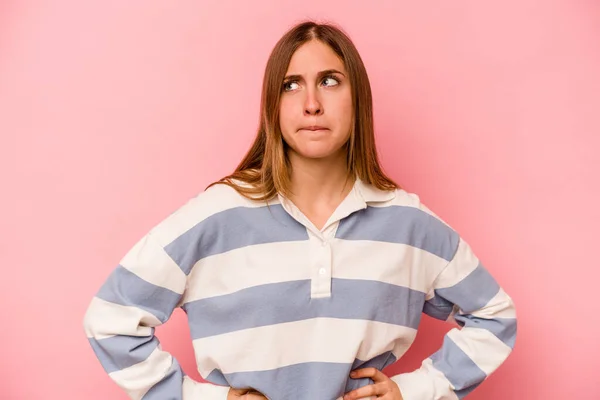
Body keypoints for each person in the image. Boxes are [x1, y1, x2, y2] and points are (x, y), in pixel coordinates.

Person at [83, 20, 517, 400]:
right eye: (290, 85)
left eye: (330, 80)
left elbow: (495, 317)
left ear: (357, 98)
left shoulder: (409, 223)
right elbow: (111, 319)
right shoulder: (216, 216)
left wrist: (416, 390)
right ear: (273, 105)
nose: (311, 103)